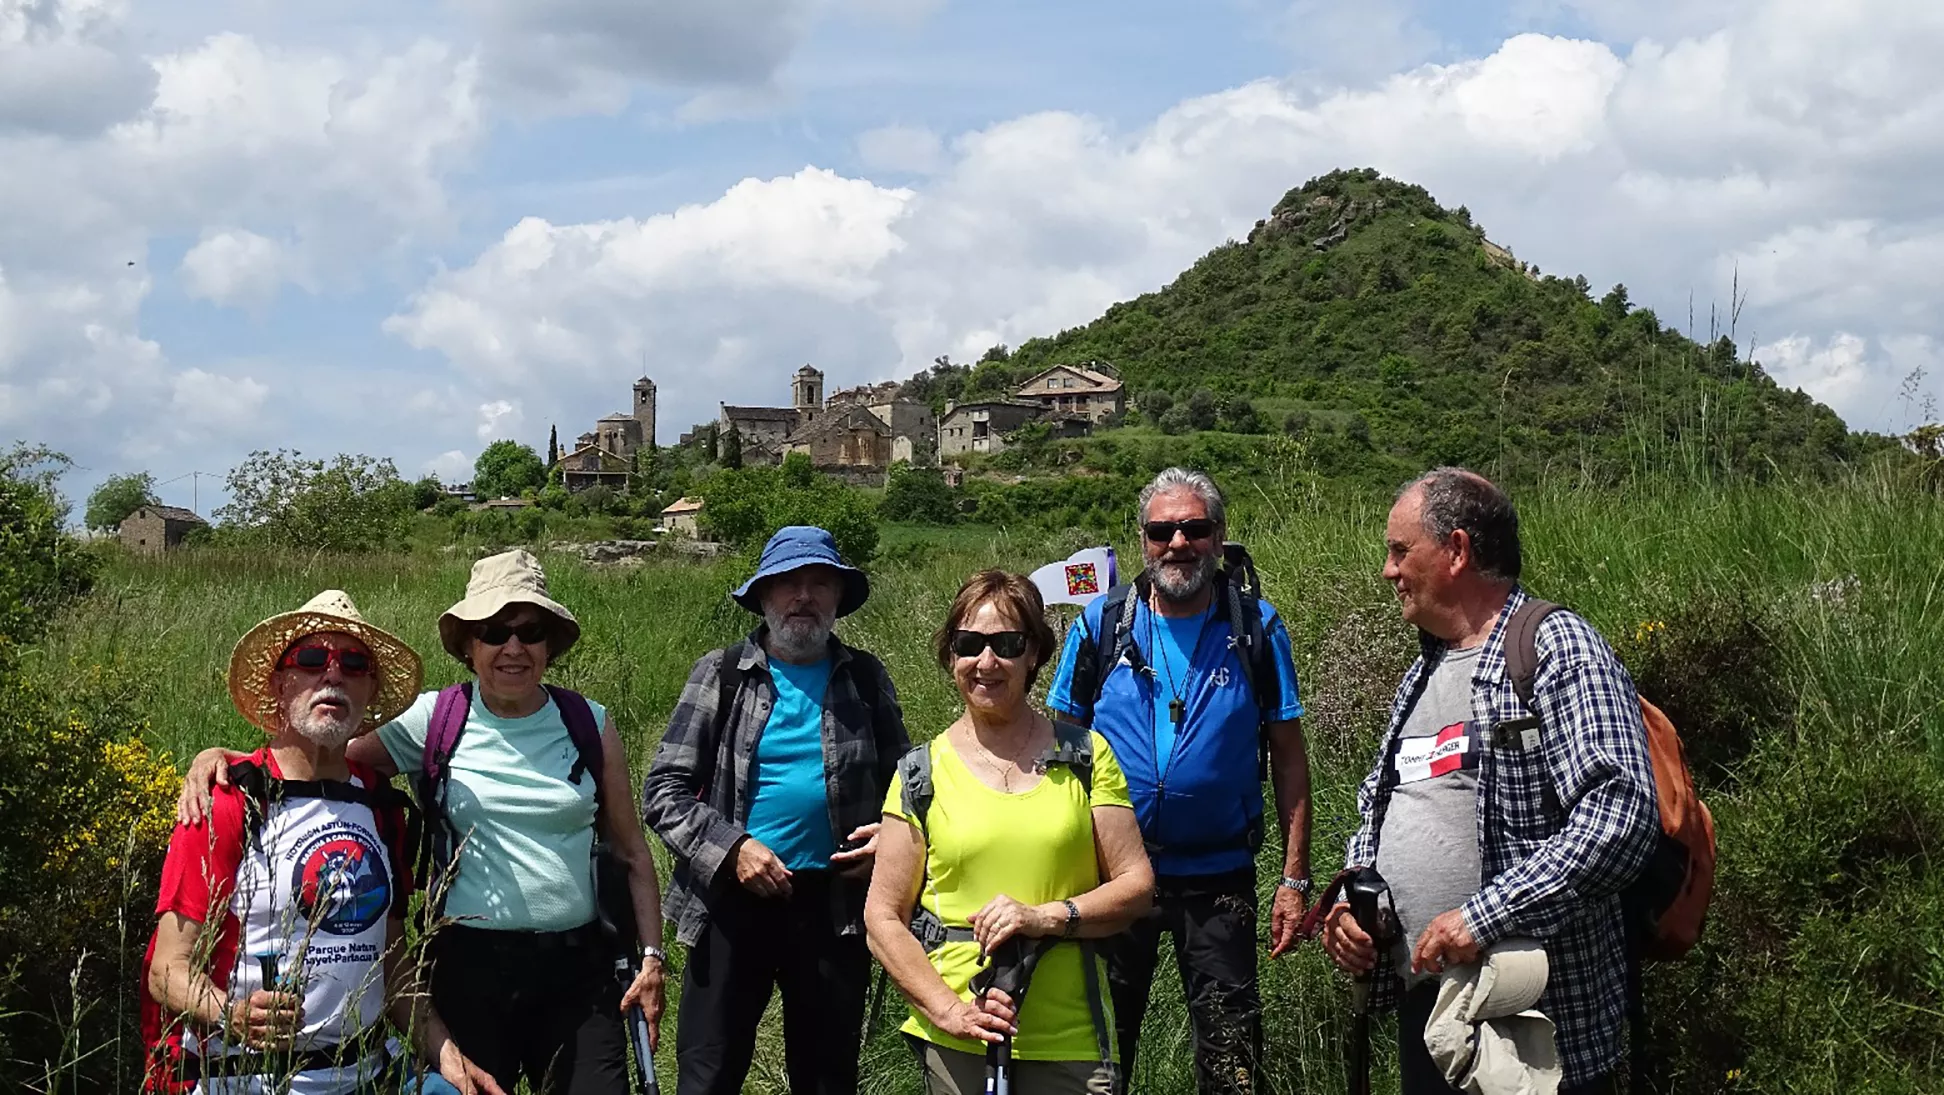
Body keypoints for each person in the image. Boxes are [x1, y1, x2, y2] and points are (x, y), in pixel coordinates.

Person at [179, 551, 666, 1095]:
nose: (513, 647)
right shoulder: (435, 718)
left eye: (529, 631)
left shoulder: (587, 723)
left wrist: (651, 957)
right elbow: (318, 752)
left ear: (549, 644)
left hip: (579, 971)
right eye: (493, 631)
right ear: (467, 645)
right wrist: (226, 759)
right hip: (469, 969)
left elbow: (631, 851)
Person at [1319, 468, 1660, 1095]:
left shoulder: (1556, 646)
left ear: (1456, 551)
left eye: (1400, 550)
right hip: (1438, 1022)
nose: (1389, 571)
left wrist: (1482, 918)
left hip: (1536, 1029)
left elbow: (1622, 814)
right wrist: (1356, 902)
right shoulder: (1421, 674)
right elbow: (1379, 802)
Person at [144, 590, 499, 1094]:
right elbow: (166, 970)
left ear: (370, 690)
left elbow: (392, 961)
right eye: (311, 659)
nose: (332, 674)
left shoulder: (380, 806)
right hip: (249, 1078)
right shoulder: (229, 803)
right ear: (279, 683)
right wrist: (233, 1014)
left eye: (353, 664)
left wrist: (448, 1056)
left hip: (372, 1072)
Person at [1045, 467, 1311, 1094]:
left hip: (1219, 876)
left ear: (1218, 537)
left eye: (1194, 528)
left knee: (1232, 1063)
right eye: (1162, 530)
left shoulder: (1256, 628)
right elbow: (1058, 749)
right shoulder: (1101, 625)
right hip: (1113, 874)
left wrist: (1294, 877)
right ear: (1142, 540)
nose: (1177, 544)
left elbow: (1290, 757)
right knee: (1098, 1062)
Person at [641, 526, 910, 1095]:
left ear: (839, 599)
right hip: (729, 901)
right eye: (788, 584)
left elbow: (906, 788)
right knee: (708, 1073)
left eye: (819, 584)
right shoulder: (721, 673)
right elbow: (663, 789)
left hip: (836, 906)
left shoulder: (864, 676)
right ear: (763, 597)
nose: (804, 597)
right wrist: (734, 849)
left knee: (826, 1074)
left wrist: (892, 837)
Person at [865, 570, 1154, 1095]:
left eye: (1008, 644)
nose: (987, 662)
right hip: (958, 1040)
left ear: (1034, 655)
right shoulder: (919, 773)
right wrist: (949, 1011)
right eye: (969, 644)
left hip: (1072, 1037)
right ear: (951, 655)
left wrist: (1042, 917)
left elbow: (1136, 885)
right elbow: (882, 916)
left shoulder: (1087, 756)